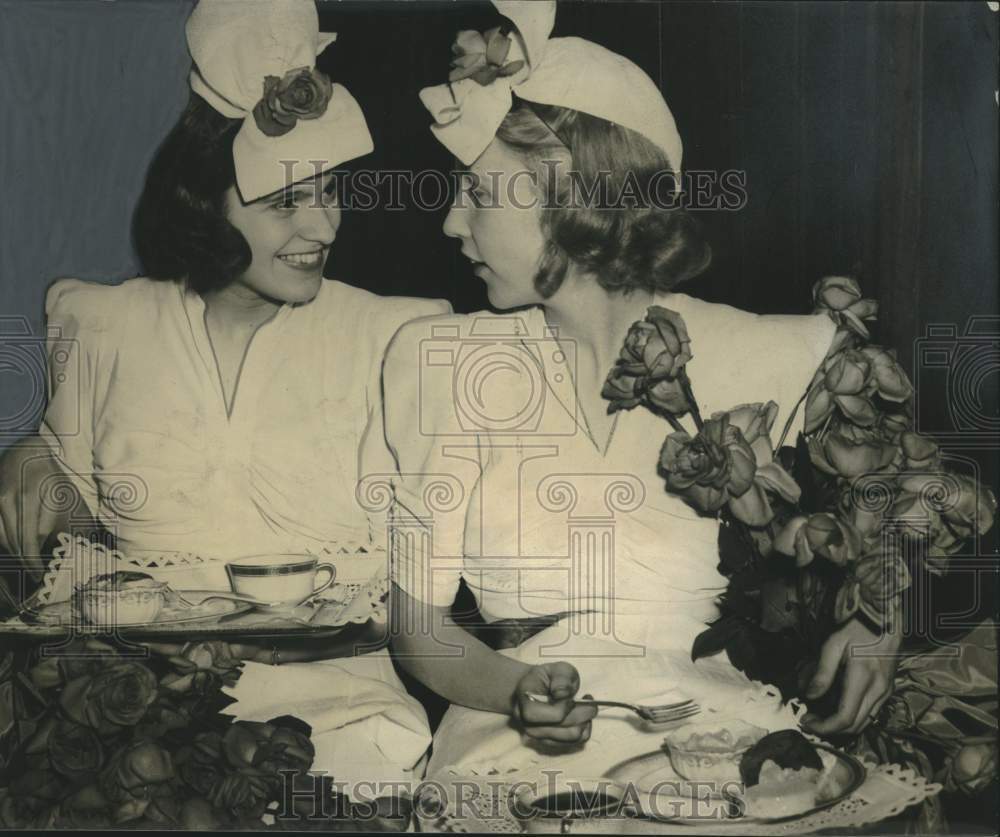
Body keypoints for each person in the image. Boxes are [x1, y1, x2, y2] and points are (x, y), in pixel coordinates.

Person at [383, 0, 901, 780]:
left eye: (478, 195)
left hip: (713, 729)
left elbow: (904, 484)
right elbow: (418, 628)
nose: (452, 225)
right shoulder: (441, 360)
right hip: (510, 739)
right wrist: (518, 690)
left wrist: (878, 625)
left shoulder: (759, 349)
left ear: (571, 201)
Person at [0, 0, 445, 792]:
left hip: (344, 727)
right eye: (285, 202)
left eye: (330, 191)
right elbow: (72, 535)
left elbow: (433, 586)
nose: (323, 226)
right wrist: (27, 460)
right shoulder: (101, 322)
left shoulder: (394, 337)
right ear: (203, 201)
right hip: (140, 721)